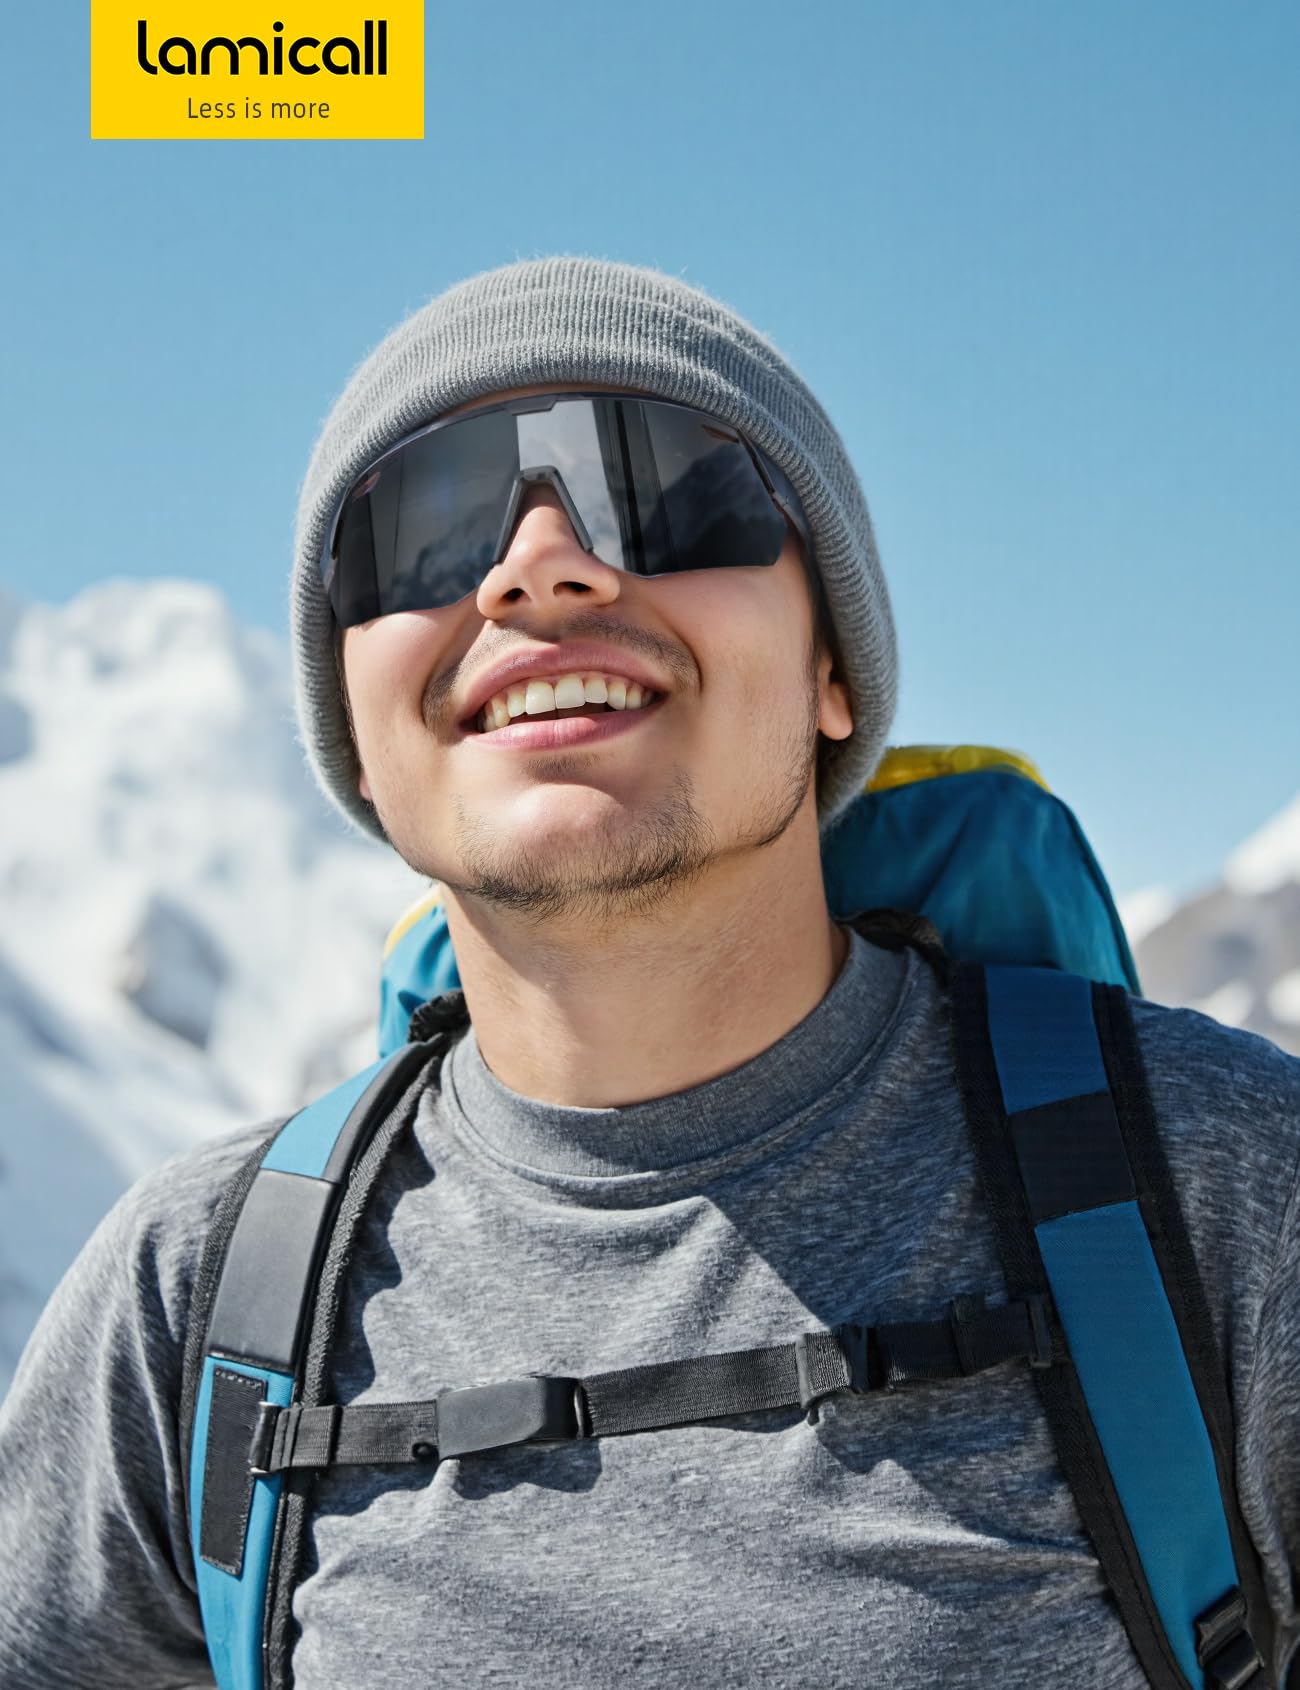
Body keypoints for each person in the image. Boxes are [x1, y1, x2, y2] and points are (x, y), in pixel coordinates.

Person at [0, 256, 1295, 1690]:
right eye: (421, 530)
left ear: (833, 669)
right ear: (355, 735)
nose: (537, 567)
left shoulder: (1231, 1186)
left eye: (671, 490)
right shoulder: (191, 1300)